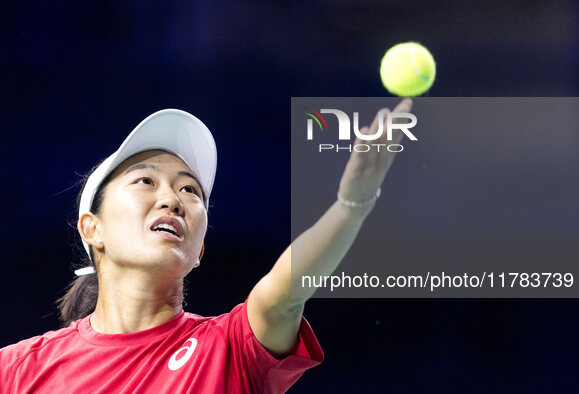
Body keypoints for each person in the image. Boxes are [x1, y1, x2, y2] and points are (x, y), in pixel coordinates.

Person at [0, 99, 412, 393]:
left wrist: (351, 205)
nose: (172, 199)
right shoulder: (17, 371)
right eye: (146, 180)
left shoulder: (229, 349)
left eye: (189, 190)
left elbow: (285, 294)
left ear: (198, 252)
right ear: (92, 229)